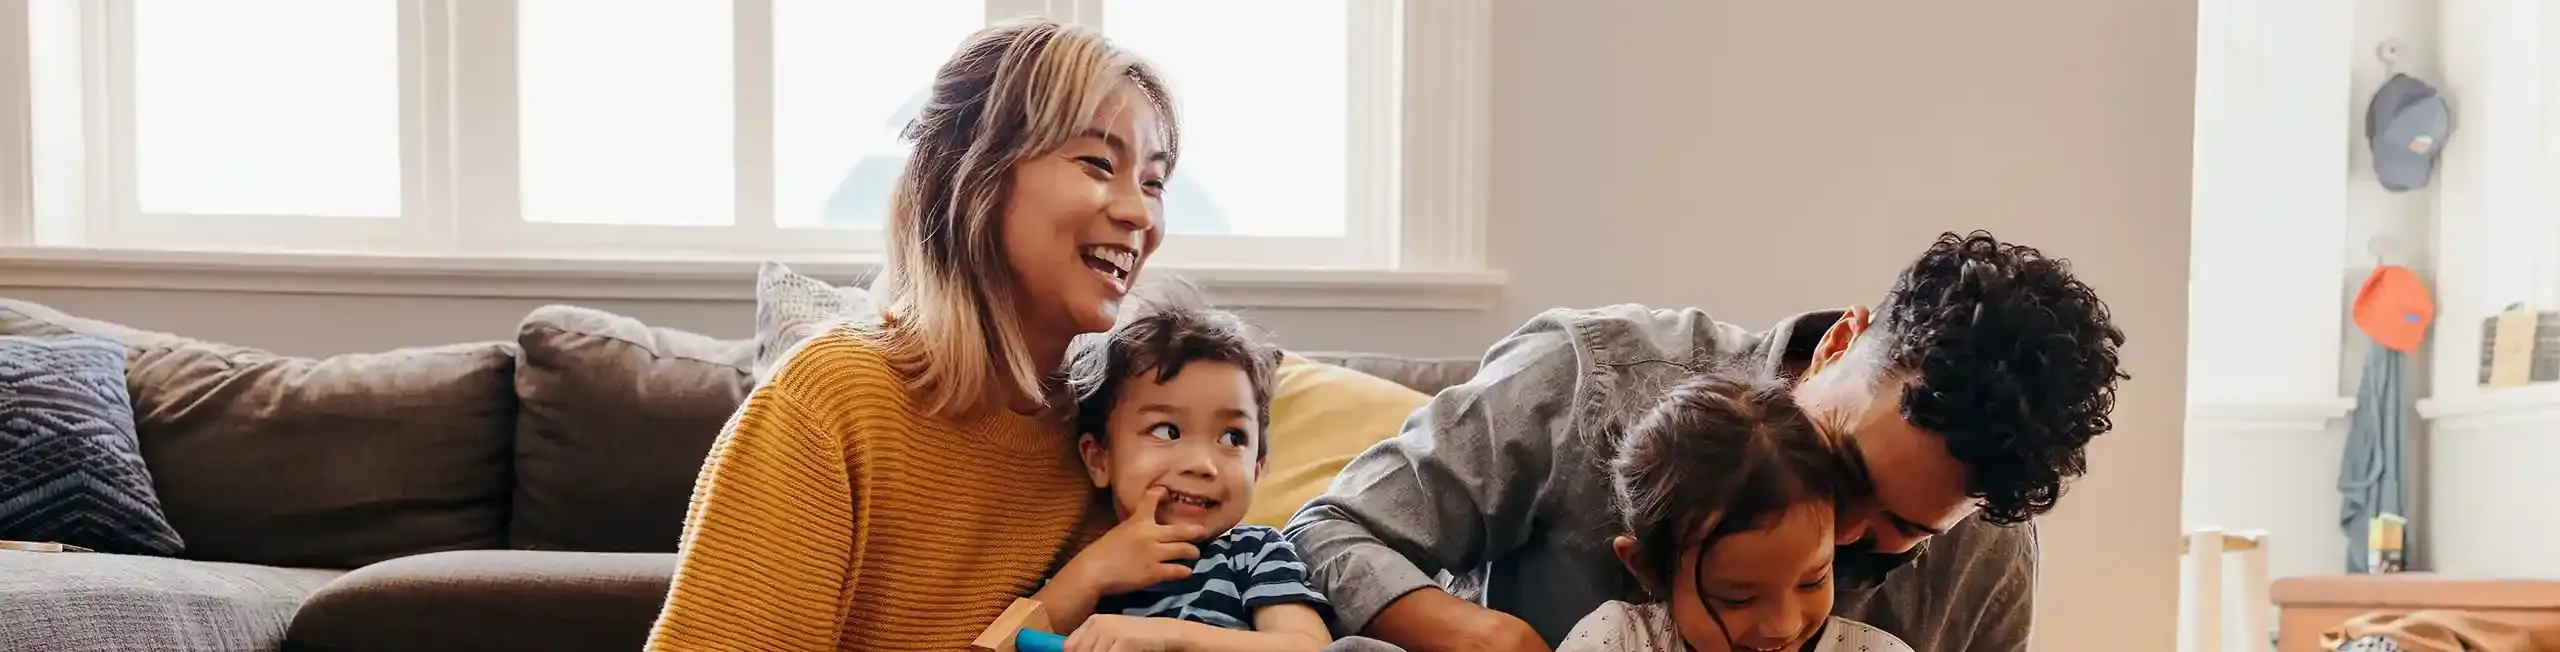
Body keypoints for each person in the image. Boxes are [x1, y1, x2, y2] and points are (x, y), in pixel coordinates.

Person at [1285, 231, 2130, 652]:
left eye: (1898, 536)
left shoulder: (1988, 560)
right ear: (1841, 341)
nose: (1836, 535)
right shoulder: (1592, 374)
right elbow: (1327, 533)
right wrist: (1490, 637)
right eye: (1844, 470)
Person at [644, 18, 1180, 652]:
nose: (1141, 214)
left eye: (1153, 182)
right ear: (976, 180)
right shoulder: (829, 405)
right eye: (1098, 163)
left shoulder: (1119, 430)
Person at [1031, 295, 1337, 651]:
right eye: (1167, 431)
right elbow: (1011, 640)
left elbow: (1309, 647)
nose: (1202, 464)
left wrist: (1171, 637)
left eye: (1231, 437)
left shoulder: (1254, 554)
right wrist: (1091, 574)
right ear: (1099, 459)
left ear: (1256, 470)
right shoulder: (1083, 566)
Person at [1557, 372, 1911, 652]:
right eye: (1737, 599)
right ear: (1647, 568)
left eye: (1813, 580)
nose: (1782, 627)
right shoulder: (1617, 642)